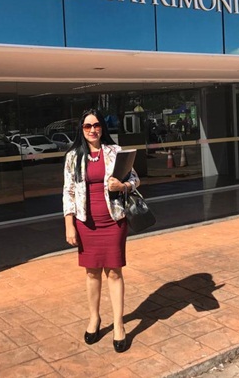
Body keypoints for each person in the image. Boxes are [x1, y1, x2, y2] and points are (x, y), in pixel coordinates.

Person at [63, 108, 140, 353]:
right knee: (92, 273)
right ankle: (94, 318)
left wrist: (123, 185)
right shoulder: (73, 156)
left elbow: (135, 179)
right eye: (88, 126)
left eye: (96, 125)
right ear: (81, 129)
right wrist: (69, 224)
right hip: (86, 222)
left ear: (102, 128)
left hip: (113, 220)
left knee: (114, 272)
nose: (93, 130)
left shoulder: (115, 152)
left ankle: (118, 324)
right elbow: (68, 192)